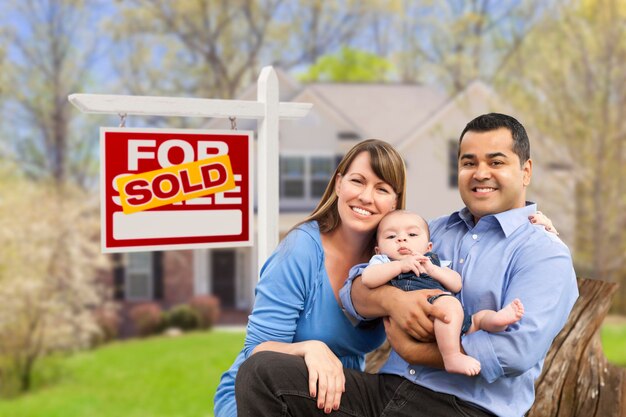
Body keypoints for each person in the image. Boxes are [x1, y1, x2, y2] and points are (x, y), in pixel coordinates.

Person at [235, 113, 578, 417]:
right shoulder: (432, 231)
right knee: (264, 373)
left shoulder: (544, 253)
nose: (480, 173)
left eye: (496, 162)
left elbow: (515, 352)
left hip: (463, 407)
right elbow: (353, 293)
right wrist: (392, 301)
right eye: (469, 162)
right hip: (385, 391)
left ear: (526, 171)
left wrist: (416, 350)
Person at [358, 209, 524, 376]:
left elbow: (456, 284)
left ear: (428, 247)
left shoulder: (430, 262)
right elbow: (368, 278)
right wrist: (400, 266)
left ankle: (496, 320)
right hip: (424, 313)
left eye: (412, 235)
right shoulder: (383, 262)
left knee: (478, 319)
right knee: (449, 304)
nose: (402, 239)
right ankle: (451, 356)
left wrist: (433, 270)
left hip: (449, 318)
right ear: (378, 250)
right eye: (391, 237)